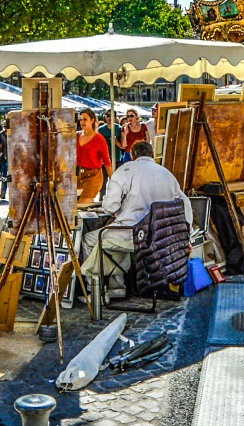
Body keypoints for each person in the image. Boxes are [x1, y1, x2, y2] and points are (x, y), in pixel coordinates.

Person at [80, 140, 193, 300]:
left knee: (89, 240)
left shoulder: (126, 170)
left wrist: (112, 207)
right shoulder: (167, 174)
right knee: (112, 238)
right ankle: (116, 288)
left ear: (133, 155)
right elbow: (185, 205)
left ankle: (96, 291)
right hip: (160, 239)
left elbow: (111, 206)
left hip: (131, 234)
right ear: (152, 155)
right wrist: (185, 237)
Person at [74, 108, 112, 206]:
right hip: (78, 175)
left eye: (85, 119)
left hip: (93, 175)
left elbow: (107, 161)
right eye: (80, 119)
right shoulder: (76, 136)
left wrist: (113, 179)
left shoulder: (99, 139)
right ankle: (91, 220)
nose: (82, 122)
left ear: (92, 120)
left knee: (82, 203)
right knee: (77, 206)